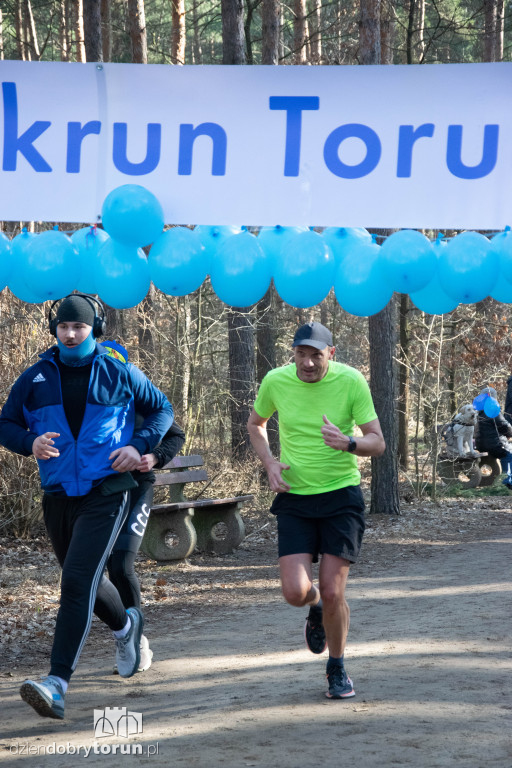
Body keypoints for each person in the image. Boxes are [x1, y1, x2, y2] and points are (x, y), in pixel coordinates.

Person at [0, 294, 174, 719]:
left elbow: (162, 411)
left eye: (79, 326)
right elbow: (6, 423)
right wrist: (30, 442)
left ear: (94, 328)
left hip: (107, 490)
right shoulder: (37, 376)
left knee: (76, 580)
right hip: (58, 493)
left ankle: (56, 684)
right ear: (55, 329)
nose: (71, 333)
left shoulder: (119, 370)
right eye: (63, 326)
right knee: (87, 581)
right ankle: (127, 626)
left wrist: (139, 446)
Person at [247, 321, 385, 700]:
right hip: (296, 497)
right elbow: (256, 425)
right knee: (294, 592)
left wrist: (350, 443)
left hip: (341, 497)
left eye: (316, 355)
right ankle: (316, 606)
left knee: (334, 589)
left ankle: (337, 667)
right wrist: (270, 463)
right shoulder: (276, 381)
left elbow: (378, 442)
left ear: (331, 355)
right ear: (292, 354)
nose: (307, 363)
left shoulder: (351, 381)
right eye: (301, 355)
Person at [100, 340, 186, 672]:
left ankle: (137, 642)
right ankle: (123, 632)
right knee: (102, 567)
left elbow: (176, 434)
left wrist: (154, 456)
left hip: (138, 488)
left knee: (121, 565)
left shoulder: (140, 394)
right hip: (99, 492)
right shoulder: (87, 400)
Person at [474, 386, 512, 487]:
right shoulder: (493, 410)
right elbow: (505, 425)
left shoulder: (478, 411)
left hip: (481, 444)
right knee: (509, 454)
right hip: (494, 445)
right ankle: (507, 481)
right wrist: (509, 434)